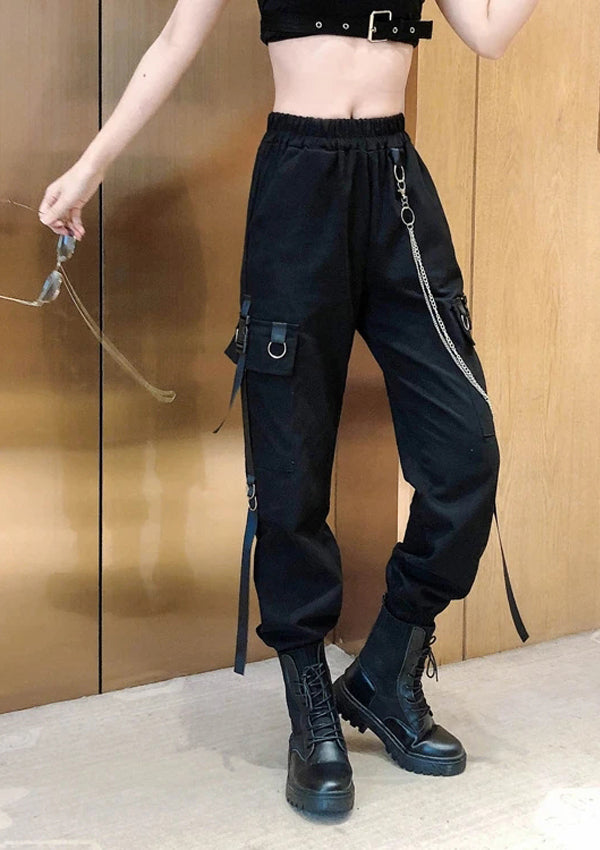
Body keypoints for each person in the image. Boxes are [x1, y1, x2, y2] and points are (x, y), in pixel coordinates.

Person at [38, 0, 539, 818]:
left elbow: (488, 31)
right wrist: (91, 166)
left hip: (396, 188)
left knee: (465, 454)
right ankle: (311, 702)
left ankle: (386, 670)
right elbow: (176, 38)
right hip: (298, 184)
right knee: (289, 467)